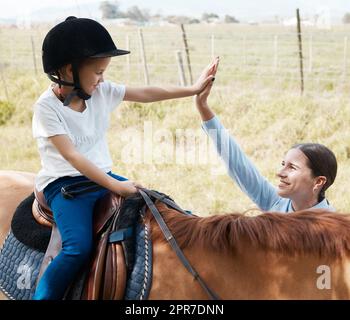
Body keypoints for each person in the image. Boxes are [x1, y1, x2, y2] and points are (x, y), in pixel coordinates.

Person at [31, 16, 216, 300]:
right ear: (69, 70)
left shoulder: (100, 92)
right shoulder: (46, 108)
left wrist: (191, 89)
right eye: (98, 71)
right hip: (66, 187)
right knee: (77, 247)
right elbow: (72, 156)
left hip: (102, 177)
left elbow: (145, 93)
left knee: (157, 202)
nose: (103, 78)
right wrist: (116, 186)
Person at [195, 57, 337, 213]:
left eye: (292, 167)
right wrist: (202, 106)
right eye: (283, 164)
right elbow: (237, 163)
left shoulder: (334, 231)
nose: (280, 173)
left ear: (318, 182)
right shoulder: (276, 202)